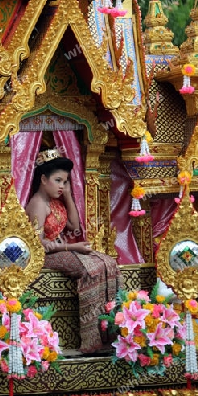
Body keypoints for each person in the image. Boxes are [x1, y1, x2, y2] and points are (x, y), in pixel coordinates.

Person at [25, 148, 122, 353]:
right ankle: (92, 341)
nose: (62, 186)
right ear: (43, 179)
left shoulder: (55, 202)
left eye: (65, 181)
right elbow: (38, 243)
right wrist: (72, 246)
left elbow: (74, 225)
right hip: (45, 257)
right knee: (91, 268)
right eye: (58, 180)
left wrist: (68, 196)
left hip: (63, 251)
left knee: (109, 263)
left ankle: (112, 332)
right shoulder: (38, 204)